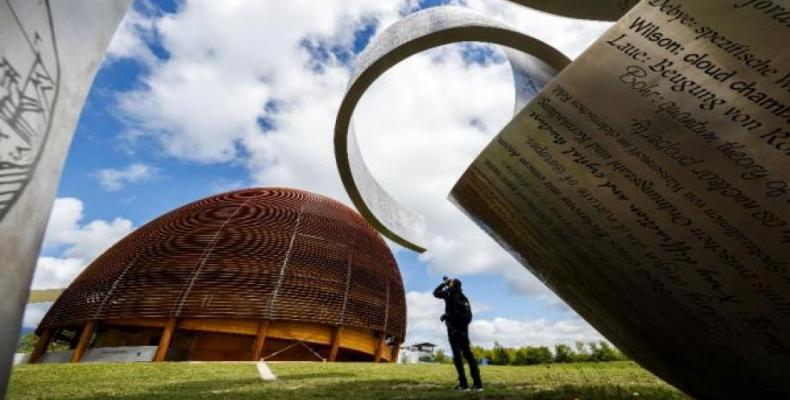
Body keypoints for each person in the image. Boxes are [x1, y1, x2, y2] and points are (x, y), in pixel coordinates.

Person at [433, 276, 483, 391]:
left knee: (457, 357)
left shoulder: (449, 293)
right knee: (469, 356)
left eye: (451, 282)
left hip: (453, 330)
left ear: (452, 285)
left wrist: (444, 284)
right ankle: (478, 384)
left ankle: (463, 384)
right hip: (464, 331)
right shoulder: (464, 297)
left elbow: (435, 293)